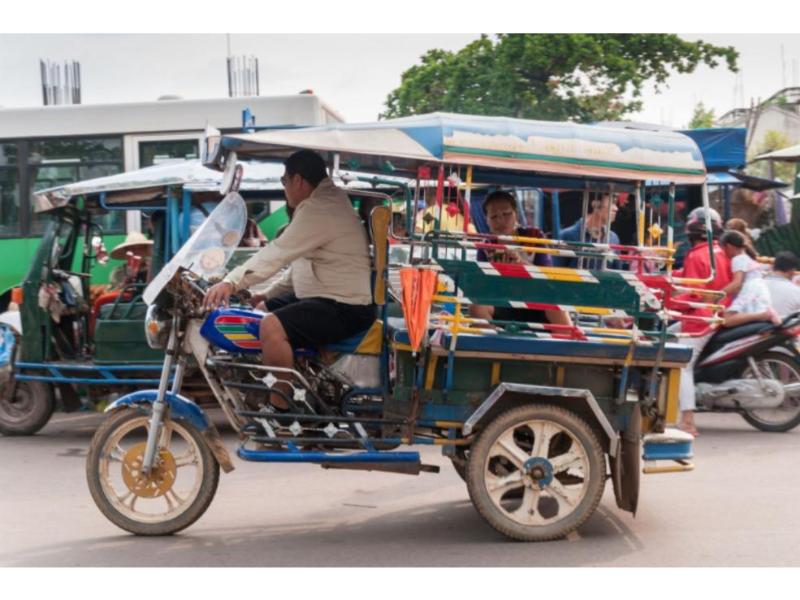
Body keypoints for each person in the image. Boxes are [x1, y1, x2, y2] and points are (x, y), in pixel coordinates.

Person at [203, 150, 375, 410]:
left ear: (298, 180)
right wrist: (265, 295)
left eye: (284, 182)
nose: (284, 189)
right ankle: (297, 383)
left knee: (271, 326)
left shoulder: (320, 209)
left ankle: (280, 408)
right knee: (261, 311)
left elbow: (277, 253)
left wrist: (231, 282)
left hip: (345, 307)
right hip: (329, 296)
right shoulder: (325, 203)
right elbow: (300, 268)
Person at [669, 207, 733, 437]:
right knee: (668, 336)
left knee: (682, 365)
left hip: (700, 319)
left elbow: (694, 293)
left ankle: (687, 421)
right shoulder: (720, 252)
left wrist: (669, 304)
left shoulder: (697, 255)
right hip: (716, 314)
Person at [469, 190, 572, 327]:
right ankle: (497, 343)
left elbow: (548, 277)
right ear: (487, 220)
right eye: (494, 217)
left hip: (535, 301)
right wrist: (496, 273)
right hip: (502, 303)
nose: (501, 220)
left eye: (506, 214)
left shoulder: (534, 236)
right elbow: (481, 286)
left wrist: (521, 265)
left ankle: (570, 345)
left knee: (558, 306)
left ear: (516, 214)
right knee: (476, 307)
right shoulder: (485, 246)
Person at [718, 230, 780, 328]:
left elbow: (736, 283)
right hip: (758, 289)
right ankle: (764, 315)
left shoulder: (737, 259)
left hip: (750, 290)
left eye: (723, 249)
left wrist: (717, 295)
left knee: (727, 319)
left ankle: (765, 315)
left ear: (729, 246)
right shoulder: (747, 257)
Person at [556, 194, 620, 269]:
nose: (616, 209)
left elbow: (617, 272)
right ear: (595, 205)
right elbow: (556, 272)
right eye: (612, 203)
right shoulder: (568, 235)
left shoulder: (613, 238)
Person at [764, 251, 800, 318]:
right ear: (792, 270)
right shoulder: (796, 291)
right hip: (785, 326)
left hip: (758, 326)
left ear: (773, 267)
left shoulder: (756, 285)